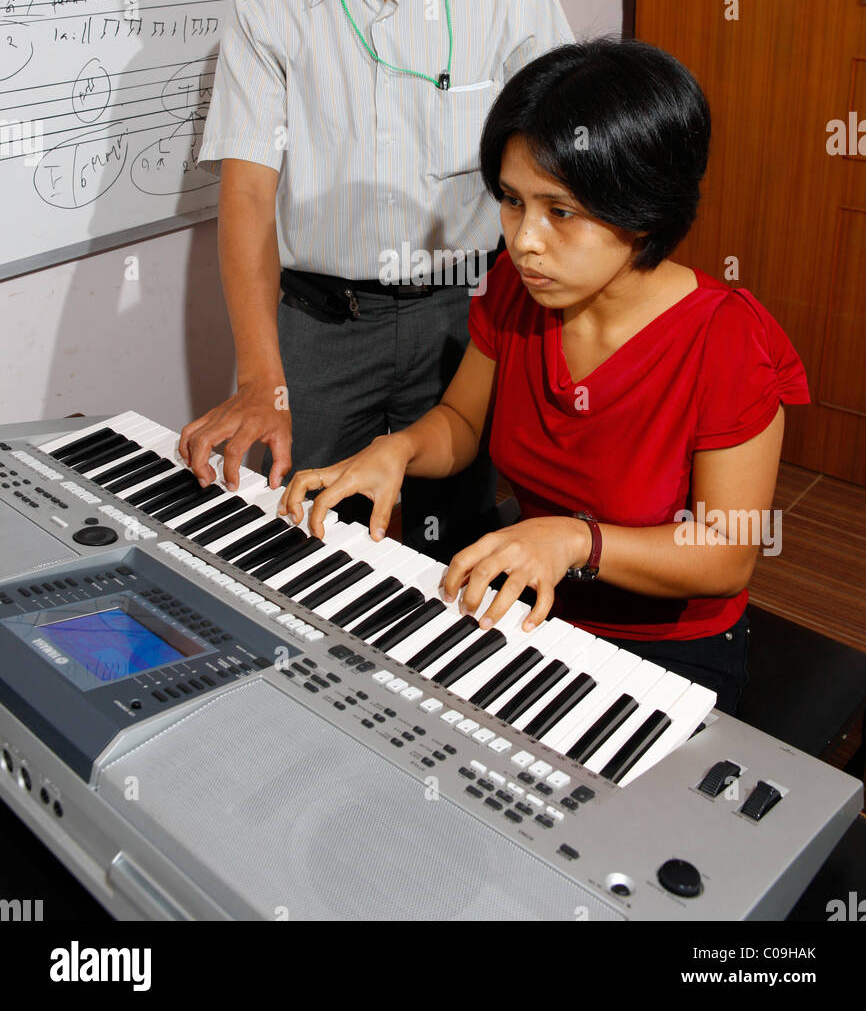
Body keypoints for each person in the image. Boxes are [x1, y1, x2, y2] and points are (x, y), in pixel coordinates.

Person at [280, 37, 810, 714]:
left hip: (663, 649)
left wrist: (572, 539)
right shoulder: (516, 288)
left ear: (643, 208)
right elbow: (463, 423)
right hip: (528, 605)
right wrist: (399, 449)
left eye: (560, 211)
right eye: (512, 202)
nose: (524, 239)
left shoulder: (728, 338)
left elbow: (727, 553)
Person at [179, 0, 574, 558]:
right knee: (295, 541)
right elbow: (249, 192)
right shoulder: (268, 6)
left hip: (465, 322)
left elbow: (562, 162)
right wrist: (261, 377)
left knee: (451, 544)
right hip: (320, 331)